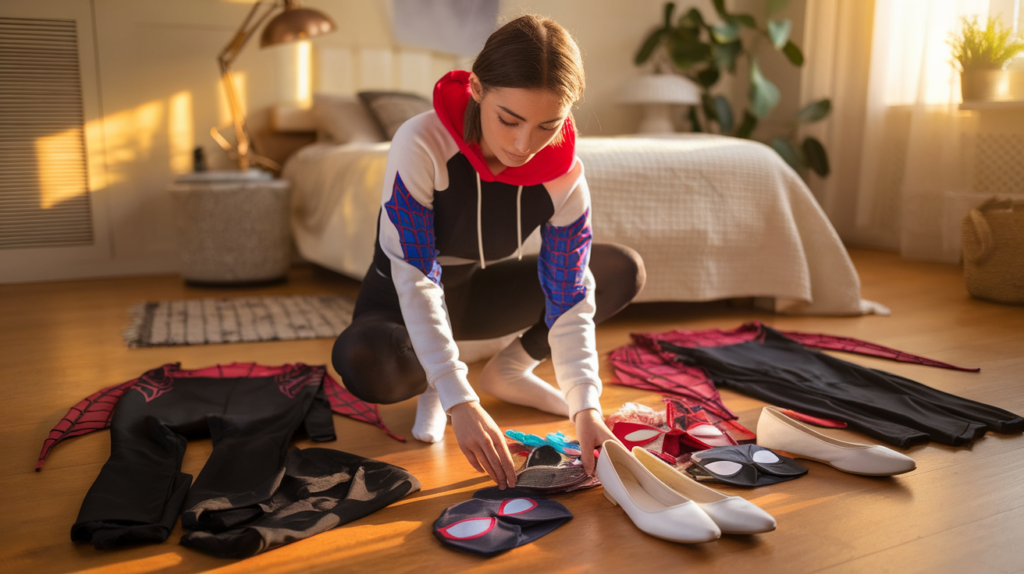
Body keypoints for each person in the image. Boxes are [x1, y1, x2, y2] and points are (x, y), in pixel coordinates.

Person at [332, 15, 645, 489]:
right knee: (364, 360)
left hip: (475, 292)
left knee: (615, 269)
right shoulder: (421, 142)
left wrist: (586, 407)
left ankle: (510, 368)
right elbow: (416, 276)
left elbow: (568, 293)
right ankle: (435, 380)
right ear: (477, 88)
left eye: (548, 125)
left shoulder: (564, 174)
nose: (524, 145)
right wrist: (459, 398)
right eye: (509, 119)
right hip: (399, 298)